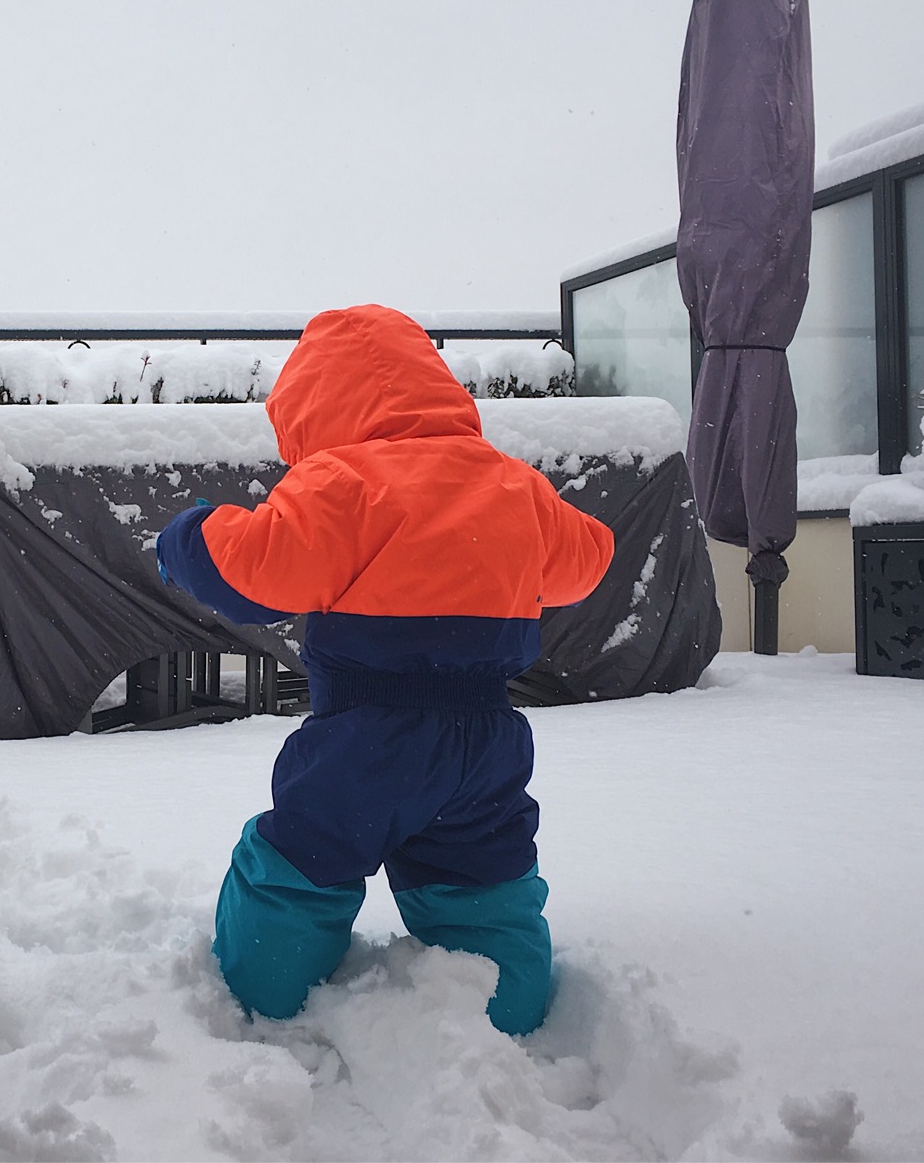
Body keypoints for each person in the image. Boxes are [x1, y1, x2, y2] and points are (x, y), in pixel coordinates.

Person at [155, 304, 614, 1034]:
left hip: (364, 739)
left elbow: (246, 570)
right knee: (482, 873)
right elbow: (590, 556)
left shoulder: (341, 483)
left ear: (313, 408)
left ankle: (265, 987)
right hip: (485, 745)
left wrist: (186, 537)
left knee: (304, 857)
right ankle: (509, 1000)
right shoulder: (512, 486)